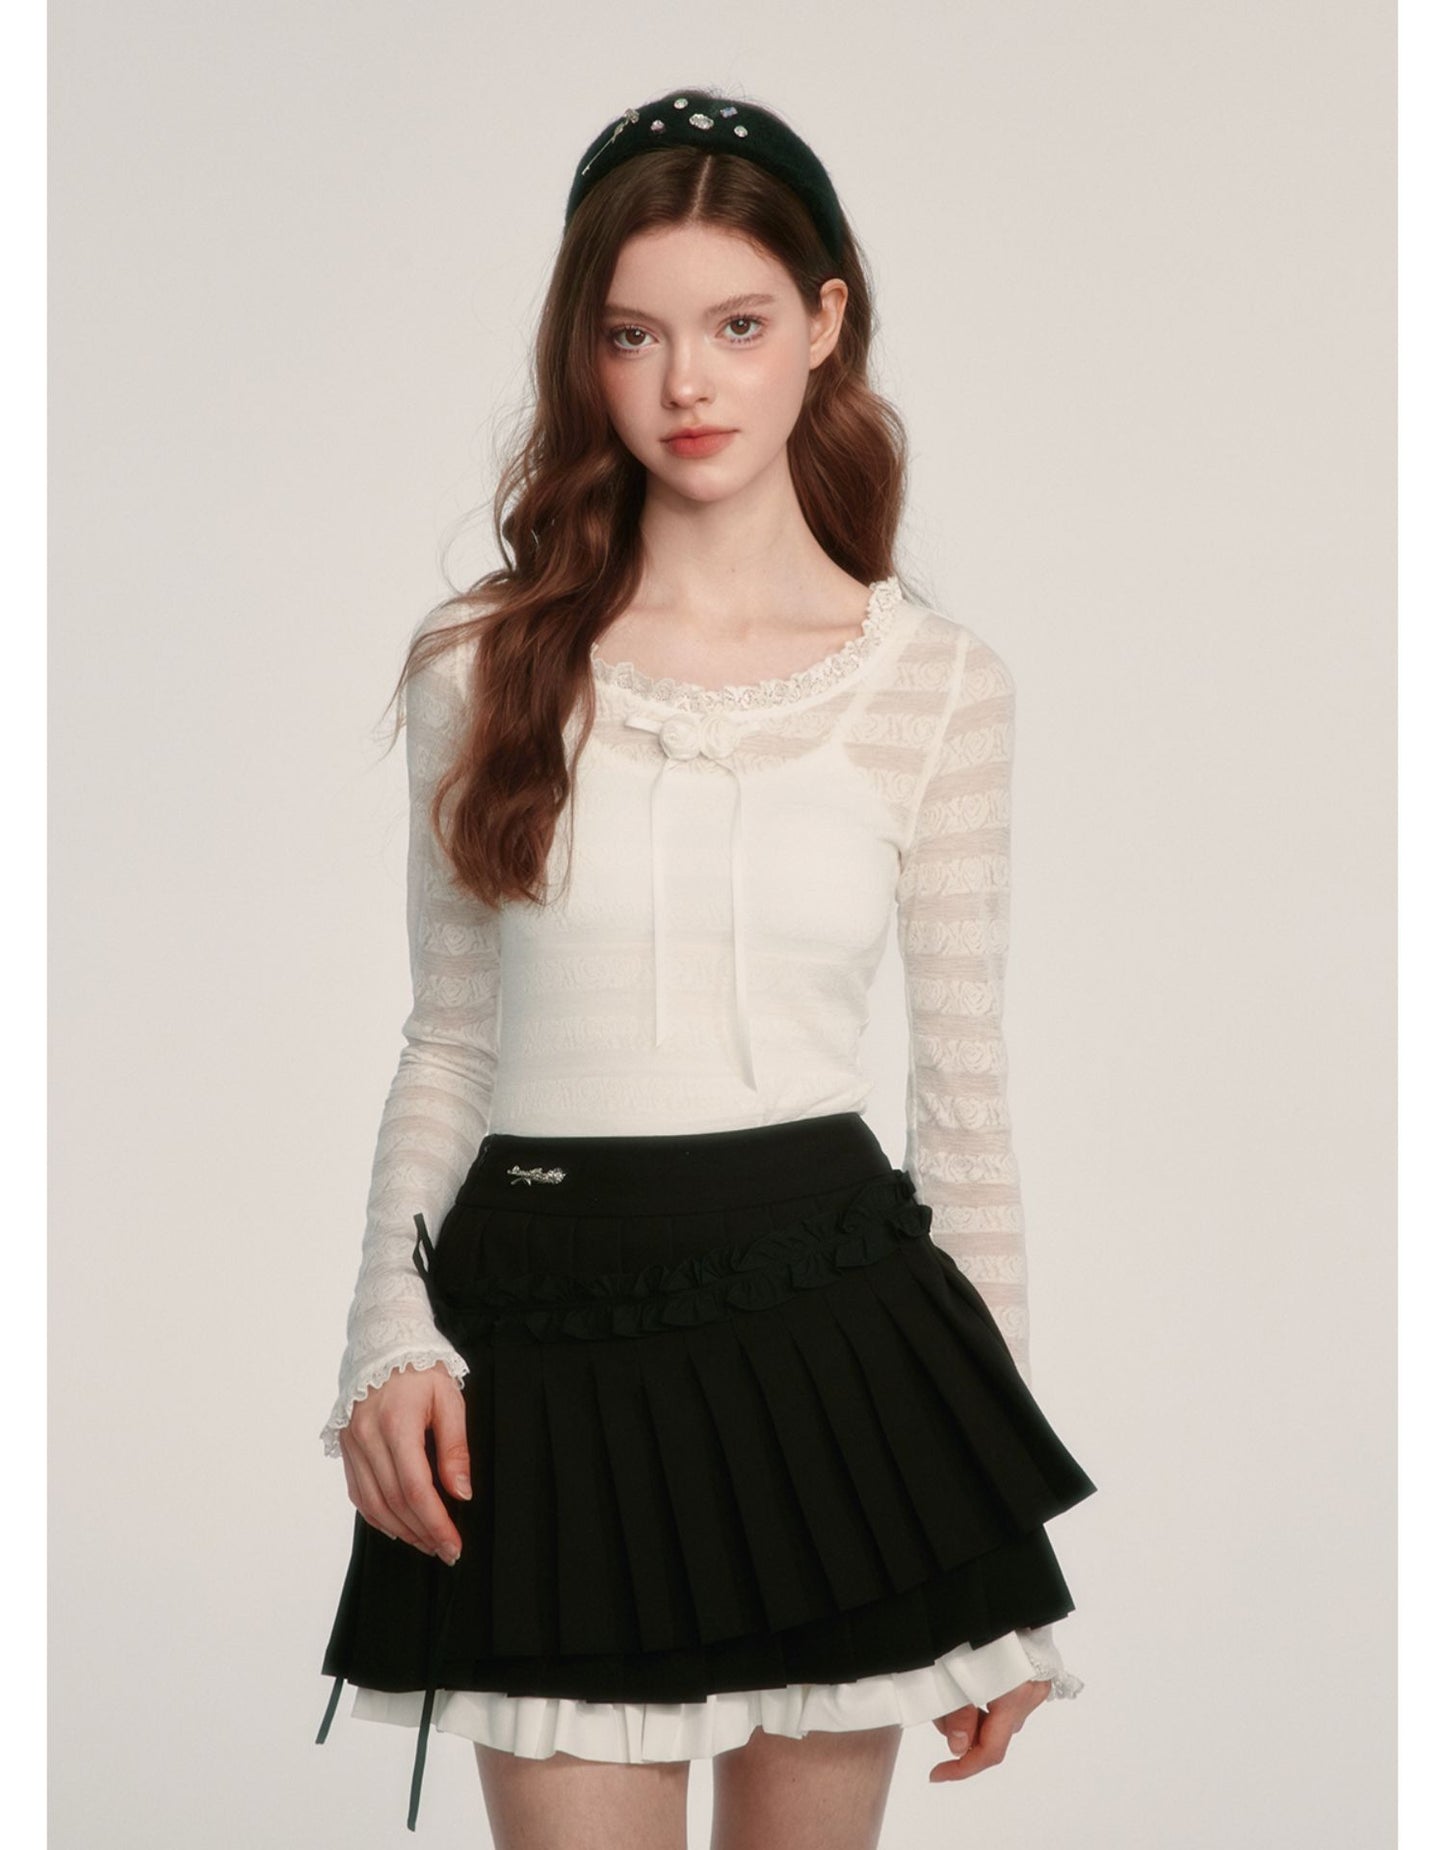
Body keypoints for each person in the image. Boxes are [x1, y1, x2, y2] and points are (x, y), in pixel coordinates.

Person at [313, 86, 1097, 1849]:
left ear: (823, 323)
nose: (687, 384)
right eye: (633, 335)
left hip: (837, 1356)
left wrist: (990, 1537)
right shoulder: (480, 663)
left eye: (737, 326)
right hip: (546, 1347)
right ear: (582, 353)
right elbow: (448, 1043)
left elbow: (963, 1114)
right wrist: (384, 1336)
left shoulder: (935, 685)